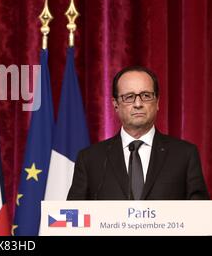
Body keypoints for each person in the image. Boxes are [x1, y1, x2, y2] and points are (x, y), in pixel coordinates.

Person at [67, 65, 209, 200]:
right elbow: (71, 216)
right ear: (115, 104)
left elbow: (200, 216)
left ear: (157, 102)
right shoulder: (90, 159)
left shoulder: (184, 155)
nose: (138, 104)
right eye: (129, 97)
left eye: (146, 95)